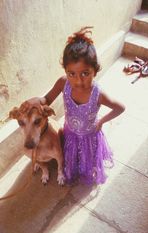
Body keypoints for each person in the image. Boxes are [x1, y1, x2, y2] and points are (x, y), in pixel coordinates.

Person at [29, 26, 125, 185]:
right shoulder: (62, 83)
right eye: (71, 73)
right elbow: (46, 99)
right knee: (71, 157)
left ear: (95, 71)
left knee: (87, 160)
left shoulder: (98, 94)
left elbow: (120, 107)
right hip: (70, 133)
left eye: (85, 74)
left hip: (89, 136)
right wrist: (36, 100)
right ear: (65, 71)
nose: (78, 81)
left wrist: (101, 122)